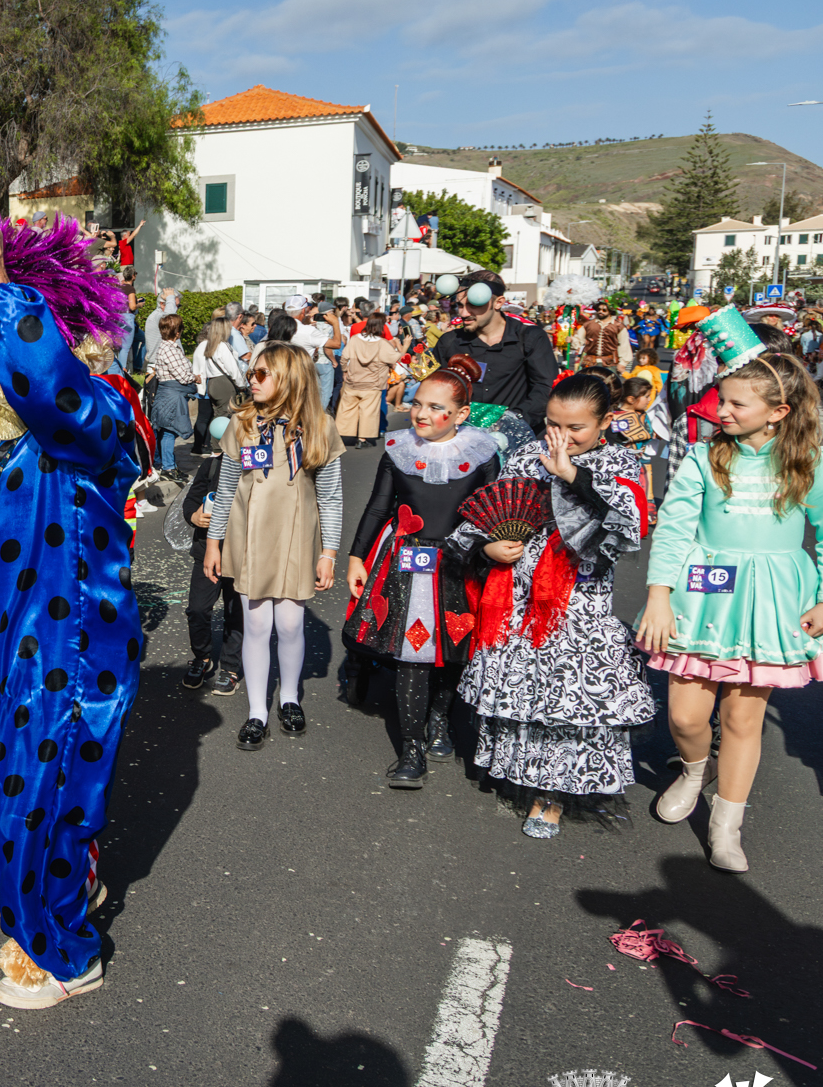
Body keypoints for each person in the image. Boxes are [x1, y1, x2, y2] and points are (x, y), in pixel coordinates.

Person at [0, 205, 145, 1010]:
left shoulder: (94, 412)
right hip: (22, 644)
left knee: (41, 798)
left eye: (7, 334)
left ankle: (61, 951)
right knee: (16, 790)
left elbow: (46, 385)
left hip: (69, 648)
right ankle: (51, 910)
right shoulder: (18, 433)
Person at [636, 323, 823, 872]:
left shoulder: (810, 460)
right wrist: (659, 595)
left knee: (742, 721)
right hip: (702, 596)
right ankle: (694, 770)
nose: (720, 411)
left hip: (772, 601)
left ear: (777, 412)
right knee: (686, 717)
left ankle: (727, 827)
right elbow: (674, 529)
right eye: (721, 400)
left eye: (734, 404)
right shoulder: (705, 457)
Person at [451, 372, 653, 838]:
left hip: (578, 597)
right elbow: (487, 512)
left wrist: (572, 476)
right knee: (524, 686)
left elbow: (628, 528)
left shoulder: (619, 460)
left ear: (604, 423)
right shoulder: (526, 454)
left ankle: (554, 793)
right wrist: (488, 547)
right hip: (518, 594)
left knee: (567, 695)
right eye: (552, 424)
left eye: (575, 428)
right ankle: (522, 772)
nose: (560, 437)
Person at [343, 356, 502, 789]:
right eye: (417, 403)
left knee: (453, 649)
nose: (421, 413)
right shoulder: (398, 450)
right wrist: (356, 557)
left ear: (461, 414)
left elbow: (492, 513)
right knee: (412, 653)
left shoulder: (482, 454)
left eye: (436, 407)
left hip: (460, 564)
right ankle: (411, 750)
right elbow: (378, 507)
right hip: (406, 564)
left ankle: (440, 720)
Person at [204, 342, 346, 751]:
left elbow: (330, 497)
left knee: (289, 625)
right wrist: (213, 542)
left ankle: (289, 699)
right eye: (252, 372)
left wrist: (329, 552)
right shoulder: (242, 423)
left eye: (262, 373)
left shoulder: (320, 426)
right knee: (255, 626)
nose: (252, 379)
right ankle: (256, 712)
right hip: (249, 536)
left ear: (290, 379)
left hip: (296, 537)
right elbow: (226, 488)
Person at [433, 270, 559, 429]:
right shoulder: (450, 342)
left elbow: (544, 388)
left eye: (474, 304)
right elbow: (436, 390)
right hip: (463, 435)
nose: (463, 313)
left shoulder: (530, 338)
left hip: (518, 435)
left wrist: (512, 422)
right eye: (460, 305)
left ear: (498, 303)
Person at [180, 418, 244, 695]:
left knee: (235, 612)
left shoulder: (256, 467)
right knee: (197, 609)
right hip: (206, 550)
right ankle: (202, 657)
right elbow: (191, 501)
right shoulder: (212, 465)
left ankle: (230, 668)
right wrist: (194, 516)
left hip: (242, 553)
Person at [141, 313, 196, 476]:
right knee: (169, 431)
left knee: (167, 431)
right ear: (177, 332)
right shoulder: (169, 349)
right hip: (171, 395)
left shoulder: (167, 347)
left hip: (168, 394)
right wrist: (195, 378)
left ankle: (168, 465)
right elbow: (183, 376)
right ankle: (168, 467)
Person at [336, 315, 400, 446]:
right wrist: (403, 345)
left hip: (353, 381)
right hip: (373, 383)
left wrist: (345, 371)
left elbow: (344, 357)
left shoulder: (355, 339)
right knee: (368, 412)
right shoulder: (382, 343)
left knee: (347, 410)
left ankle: (342, 436)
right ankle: (362, 439)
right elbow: (395, 358)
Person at [192, 316, 244, 455]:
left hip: (212, 382)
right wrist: (242, 385)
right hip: (223, 383)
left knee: (218, 415)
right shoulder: (222, 346)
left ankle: (216, 446)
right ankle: (219, 448)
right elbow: (233, 369)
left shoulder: (210, 344)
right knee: (225, 415)